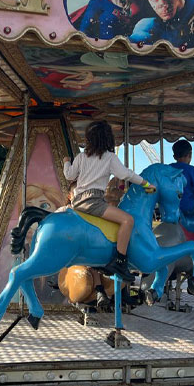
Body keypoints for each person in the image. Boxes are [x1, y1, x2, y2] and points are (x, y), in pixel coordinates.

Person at [63, 120, 155, 281]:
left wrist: (66, 162)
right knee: (128, 220)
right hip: (93, 201)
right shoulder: (109, 158)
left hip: (77, 200)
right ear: (107, 139)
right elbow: (125, 174)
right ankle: (120, 261)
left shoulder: (81, 157)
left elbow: (69, 175)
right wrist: (146, 183)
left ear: (89, 139)